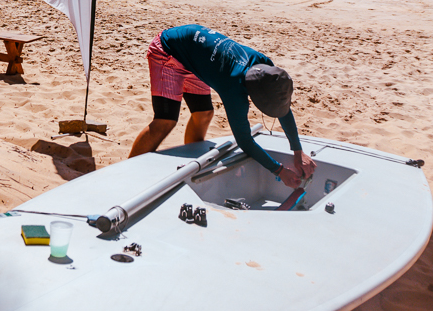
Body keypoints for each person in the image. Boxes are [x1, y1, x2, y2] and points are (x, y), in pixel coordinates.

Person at [129, 24, 317, 188]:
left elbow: (281, 103)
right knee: (166, 120)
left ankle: (192, 163)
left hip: (196, 56)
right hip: (168, 50)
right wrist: (279, 170)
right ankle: (128, 170)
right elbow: (244, 141)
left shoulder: (266, 67)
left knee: (204, 113)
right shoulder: (233, 88)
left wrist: (297, 150)